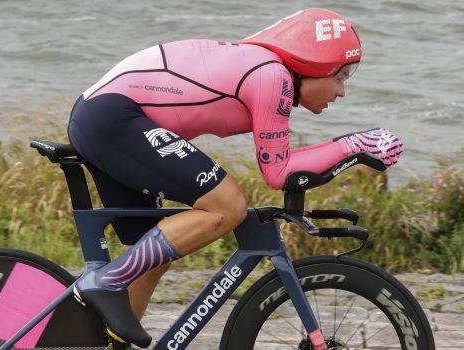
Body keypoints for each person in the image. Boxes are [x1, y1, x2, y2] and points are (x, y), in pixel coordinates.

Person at [67, 8, 403, 348]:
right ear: (313, 68)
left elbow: (281, 165)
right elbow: (278, 172)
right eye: (341, 77)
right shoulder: (274, 78)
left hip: (106, 116)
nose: (341, 92)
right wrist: (353, 144)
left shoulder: (267, 69)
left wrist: (351, 148)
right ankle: (105, 282)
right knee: (228, 205)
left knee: (150, 261)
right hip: (114, 117)